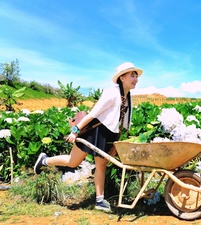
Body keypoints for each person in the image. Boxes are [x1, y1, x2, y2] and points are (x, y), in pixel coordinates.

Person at [34, 62, 143, 211]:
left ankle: (99, 200)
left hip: (108, 134)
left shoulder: (127, 96)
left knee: (101, 165)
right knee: (73, 162)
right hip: (95, 132)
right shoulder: (112, 93)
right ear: (122, 77)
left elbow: (122, 124)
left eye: (136, 76)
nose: (135, 79)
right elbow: (93, 114)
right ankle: (44, 160)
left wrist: (117, 143)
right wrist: (75, 131)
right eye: (132, 75)